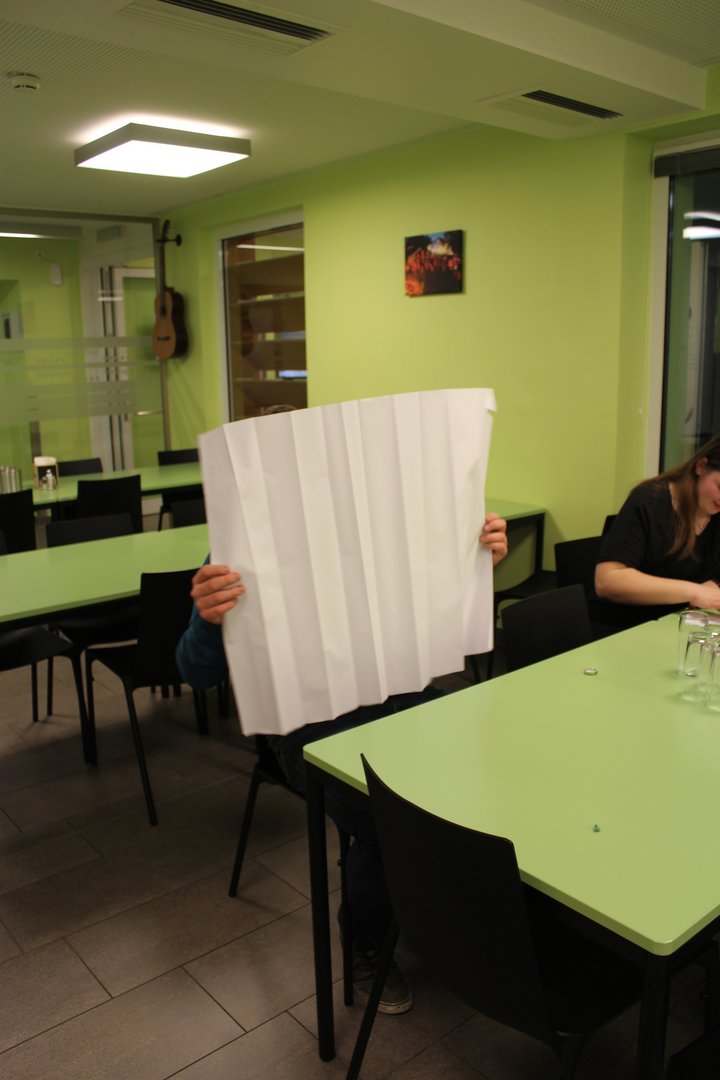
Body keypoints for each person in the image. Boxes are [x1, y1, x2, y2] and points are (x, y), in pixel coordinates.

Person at [176, 512, 508, 1015]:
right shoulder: (250, 539)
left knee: (494, 761)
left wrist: (476, 565)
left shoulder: (399, 516)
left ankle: (443, 903)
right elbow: (195, 671)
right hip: (307, 723)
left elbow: (443, 618)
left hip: (402, 696)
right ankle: (364, 938)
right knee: (386, 821)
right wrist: (207, 619)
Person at [595, 435, 720, 628]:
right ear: (701, 466)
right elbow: (607, 581)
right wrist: (695, 591)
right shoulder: (650, 501)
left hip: (680, 625)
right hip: (626, 627)